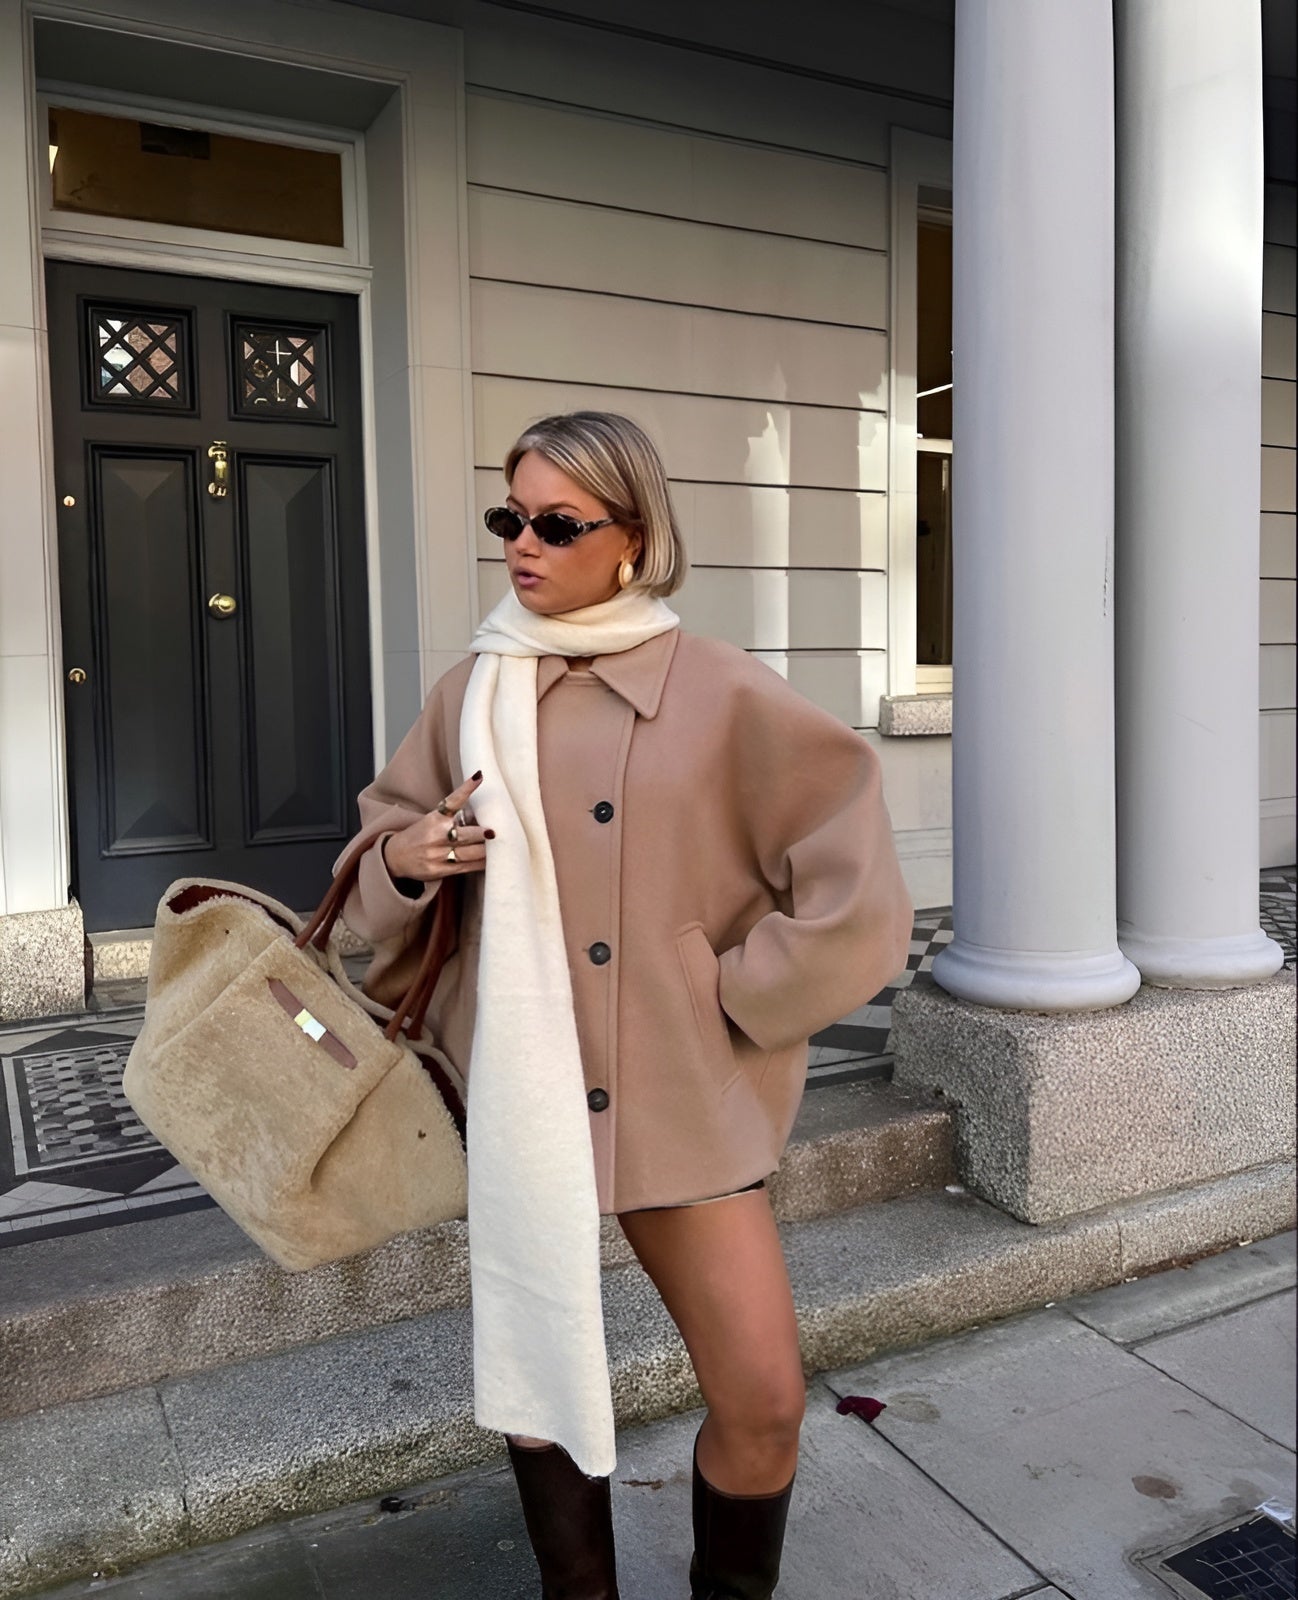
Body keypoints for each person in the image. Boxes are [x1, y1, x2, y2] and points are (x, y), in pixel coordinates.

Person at [339, 410, 912, 1599]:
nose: (521, 544)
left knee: (763, 1398)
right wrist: (408, 856)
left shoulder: (720, 690)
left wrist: (730, 999)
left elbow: (853, 879)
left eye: (556, 524)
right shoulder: (471, 689)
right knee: (537, 1370)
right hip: (519, 1083)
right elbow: (375, 846)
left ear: (634, 537)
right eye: (509, 518)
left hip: (672, 1088)